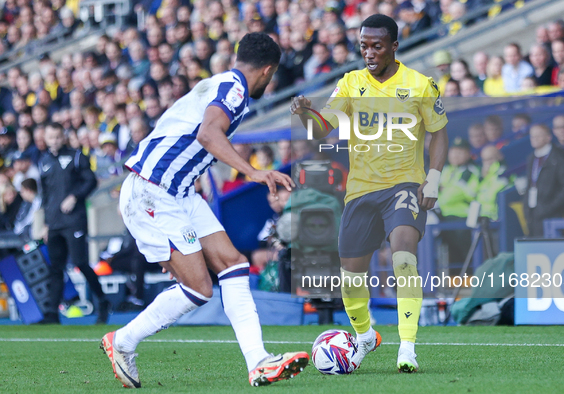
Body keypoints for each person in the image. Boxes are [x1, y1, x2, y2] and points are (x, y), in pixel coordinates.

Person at [100, 33, 308, 389]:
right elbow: (209, 136)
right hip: (153, 190)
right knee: (199, 288)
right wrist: (254, 172)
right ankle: (123, 341)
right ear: (268, 70)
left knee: (234, 263)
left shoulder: (221, 83)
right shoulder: (236, 89)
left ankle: (258, 362)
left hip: (178, 192)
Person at [291, 14, 448, 373]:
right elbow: (320, 131)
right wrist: (304, 114)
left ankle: (407, 347)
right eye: (363, 45)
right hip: (361, 192)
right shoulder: (349, 84)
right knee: (350, 275)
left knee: (403, 254)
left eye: (377, 46)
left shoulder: (419, 85)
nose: (369, 52)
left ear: (394, 46)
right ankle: (364, 336)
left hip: (405, 185)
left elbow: (439, 131)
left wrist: (434, 177)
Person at [39, 123, 110, 324]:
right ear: (45, 138)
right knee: (55, 267)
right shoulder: (44, 161)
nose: (54, 141)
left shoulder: (77, 156)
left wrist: (74, 196)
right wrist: (45, 223)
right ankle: (52, 313)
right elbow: (45, 196)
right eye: (50, 137)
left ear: (63, 137)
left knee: (80, 262)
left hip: (74, 220)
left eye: (57, 137)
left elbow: (91, 181)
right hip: (54, 222)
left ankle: (103, 301)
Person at [523, 124, 564, 237]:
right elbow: (529, 185)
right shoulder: (531, 158)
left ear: (548, 137)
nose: (534, 139)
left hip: (552, 214)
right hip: (533, 212)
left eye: (538, 136)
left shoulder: (557, 157)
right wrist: (527, 208)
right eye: (532, 136)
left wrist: (550, 206)